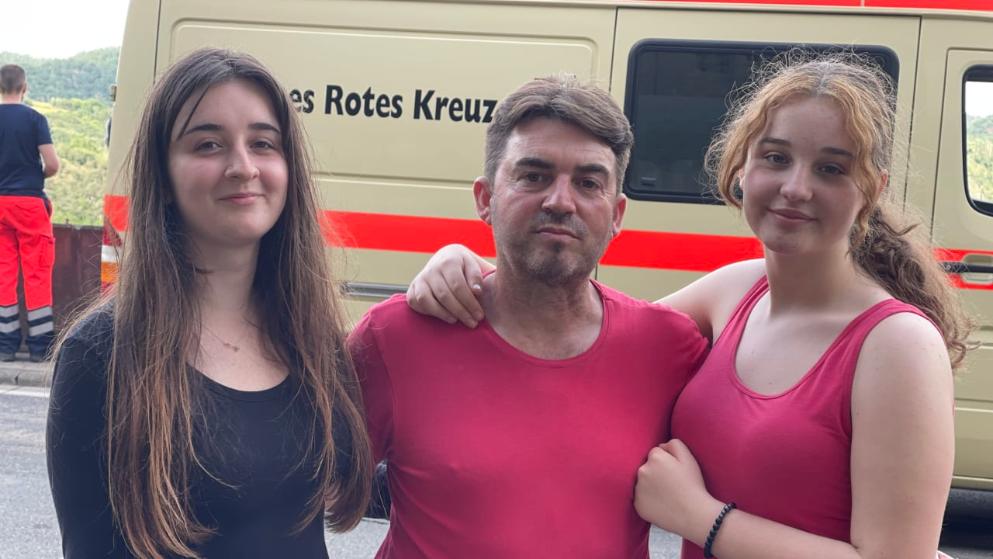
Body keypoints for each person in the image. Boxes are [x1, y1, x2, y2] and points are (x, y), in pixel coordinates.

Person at [407, 54, 971, 559]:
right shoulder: (735, 292)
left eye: (831, 168)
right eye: (776, 158)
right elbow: (577, 327)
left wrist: (702, 519)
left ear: (871, 188)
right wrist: (470, 267)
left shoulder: (897, 344)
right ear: (742, 169)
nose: (796, 188)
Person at [347, 75, 708, 558]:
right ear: (485, 198)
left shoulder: (669, 348)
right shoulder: (395, 337)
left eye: (588, 183)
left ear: (617, 214)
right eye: (534, 175)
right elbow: (304, 503)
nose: (560, 201)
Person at [46, 48, 373, 559]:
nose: (243, 167)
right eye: (208, 144)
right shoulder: (100, 356)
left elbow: (403, 480)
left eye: (263, 143)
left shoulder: (311, 335)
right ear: (164, 177)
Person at [0, 63, 59, 362]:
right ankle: (40, 347)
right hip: (29, 204)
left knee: (3, 272)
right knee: (36, 272)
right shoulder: (35, 119)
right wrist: (36, 176)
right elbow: (52, 164)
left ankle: (5, 345)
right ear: (24, 87)